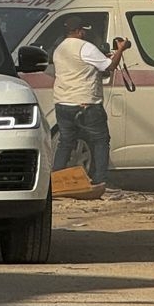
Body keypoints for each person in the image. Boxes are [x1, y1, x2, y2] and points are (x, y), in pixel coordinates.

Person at [51, 16, 129, 188]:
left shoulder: (59, 49)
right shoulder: (86, 47)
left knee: (66, 142)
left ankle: (56, 180)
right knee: (101, 140)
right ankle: (99, 180)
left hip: (63, 103)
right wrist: (120, 50)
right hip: (86, 103)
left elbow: (80, 64)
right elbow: (109, 67)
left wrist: (103, 56)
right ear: (80, 31)